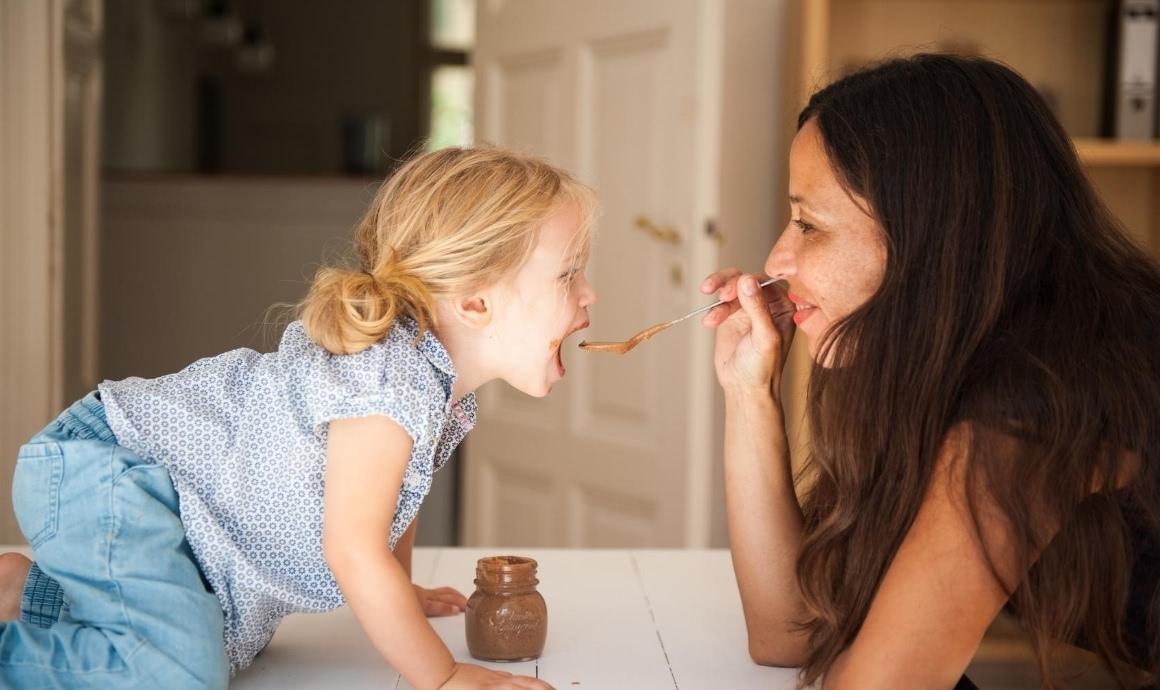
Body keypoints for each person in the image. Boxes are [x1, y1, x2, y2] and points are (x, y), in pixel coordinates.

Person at [0, 145, 597, 690]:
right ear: (475, 302)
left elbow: (391, 504)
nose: (588, 294)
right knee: (181, 671)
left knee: (214, 646)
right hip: (110, 471)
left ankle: (27, 595)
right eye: (569, 274)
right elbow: (353, 550)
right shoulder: (387, 383)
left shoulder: (433, 383)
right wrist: (441, 678)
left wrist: (400, 592)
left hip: (143, 499)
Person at [701, 54, 1160, 689]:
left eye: (809, 224)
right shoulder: (944, 366)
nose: (778, 259)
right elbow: (788, 634)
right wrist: (748, 390)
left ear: (928, 237)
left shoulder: (1034, 405)